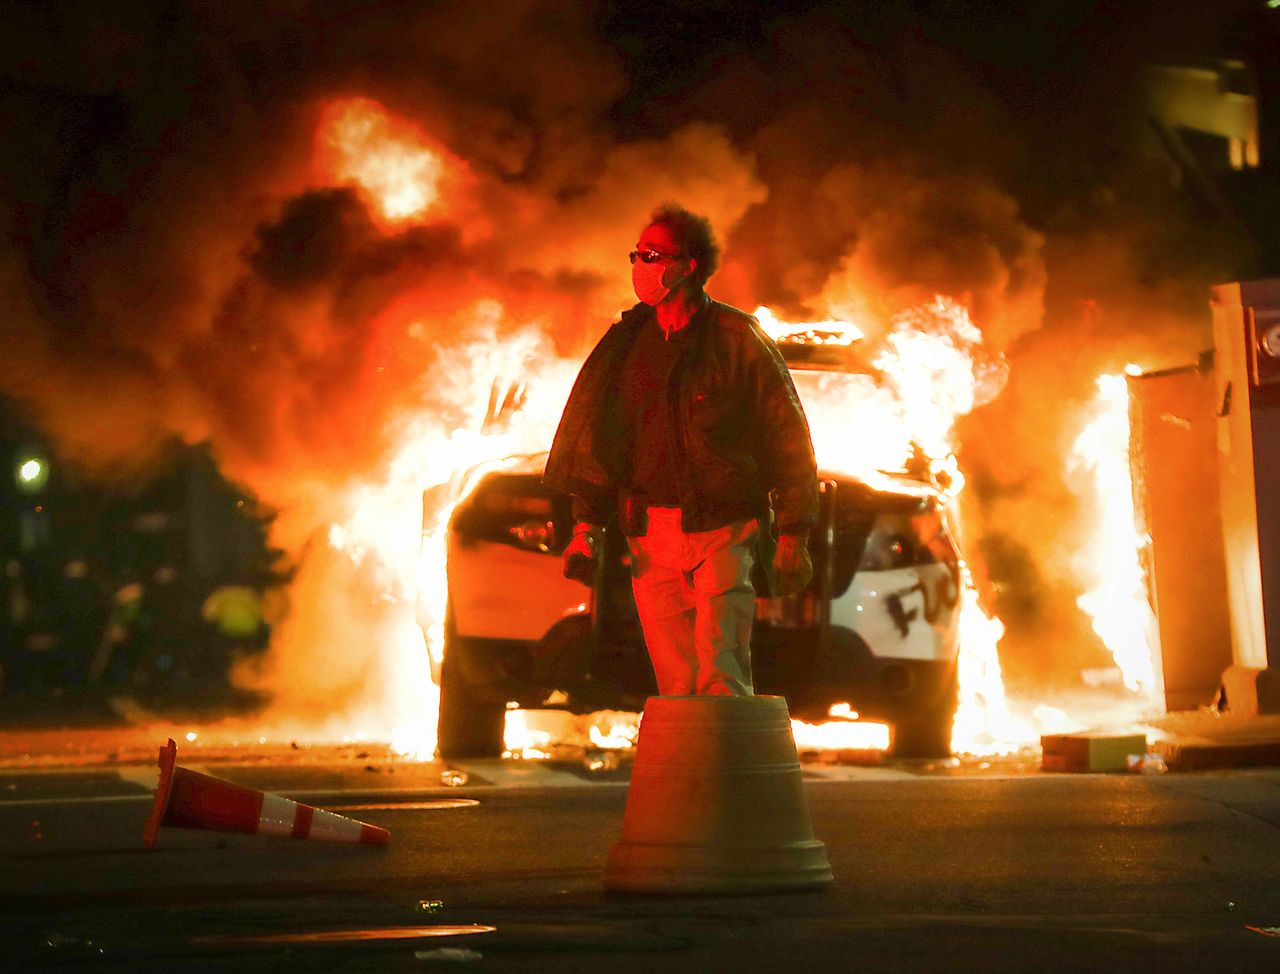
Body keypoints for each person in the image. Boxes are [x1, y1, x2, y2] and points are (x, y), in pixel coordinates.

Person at [544, 204, 818, 697]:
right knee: (676, 681)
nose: (641, 266)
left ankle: (726, 768)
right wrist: (585, 527)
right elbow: (602, 442)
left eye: (653, 255)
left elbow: (787, 437)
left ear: (687, 266)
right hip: (651, 535)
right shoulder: (628, 343)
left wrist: (792, 534)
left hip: (725, 528)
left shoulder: (738, 341)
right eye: (638, 254)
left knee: (721, 669)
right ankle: (688, 771)